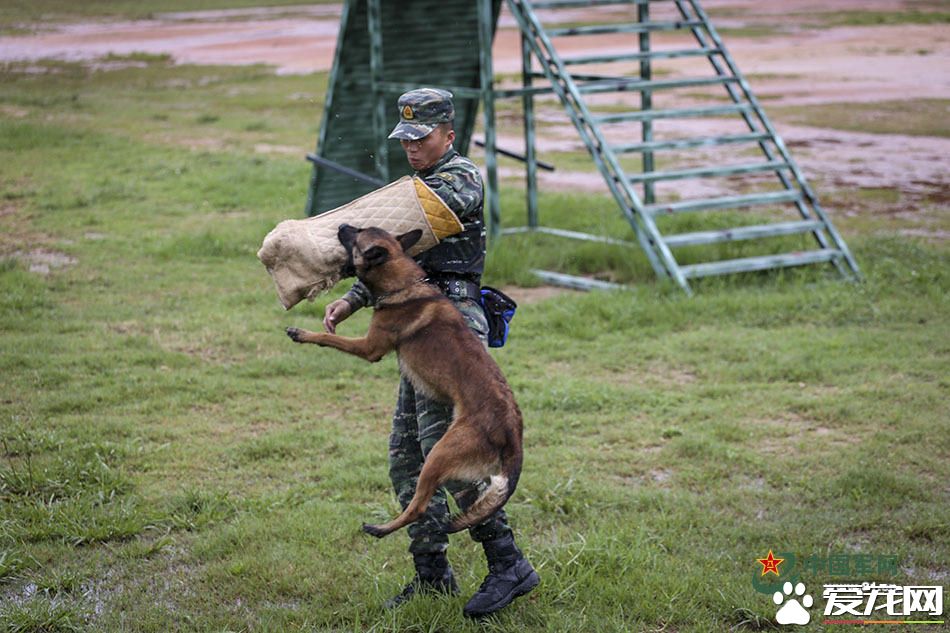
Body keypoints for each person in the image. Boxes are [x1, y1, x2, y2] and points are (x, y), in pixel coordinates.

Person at [322, 88, 538, 618]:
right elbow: (394, 259)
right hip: (412, 319)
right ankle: (432, 573)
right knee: (406, 457)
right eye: (406, 139)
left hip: (451, 326)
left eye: (422, 138)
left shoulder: (460, 179)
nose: (412, 147)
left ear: (449, 135)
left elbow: (412, 229)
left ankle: (507, 563)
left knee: (449, 457)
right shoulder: (410, 189)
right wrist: (352, 299)